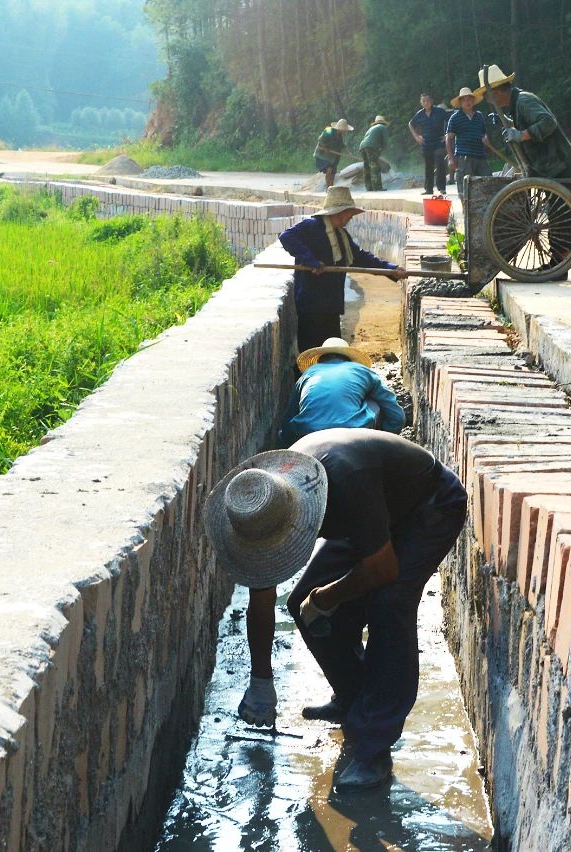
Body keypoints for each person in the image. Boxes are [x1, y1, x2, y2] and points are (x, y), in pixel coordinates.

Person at [204, 430, 467, 791]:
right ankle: (354, 698)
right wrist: (261, 681)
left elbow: (383, 569)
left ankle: (373, 748)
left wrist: (328, 597)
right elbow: (261, 601)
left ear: (298, 519)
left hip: (429, 504)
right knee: (300, 603)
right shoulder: (260, 509)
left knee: (388, 606)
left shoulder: (342, 483)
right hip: (374, 508)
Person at [278, 186, 409, 353]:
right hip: (311, 305)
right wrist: (311, 261)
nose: (350, 218)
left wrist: (391, 269)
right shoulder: (311, 227)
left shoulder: (342, 236)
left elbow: (360, 258)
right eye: (349, 213)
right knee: (311, 351)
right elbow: (286, 237)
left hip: (331, 304)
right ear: (338, 212)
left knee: (333, 351)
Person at [279, 337, 405, 447]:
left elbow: (288, 418)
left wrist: (287, 442)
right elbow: (395, 415)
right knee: (373, 402)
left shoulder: (307, 374)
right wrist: (388, 437)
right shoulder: (360, 370)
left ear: (321, 359)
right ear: (347, 359)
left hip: (307, 432)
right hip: (353, 430)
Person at [476, 63, 571, 194]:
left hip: (560, 164)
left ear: (496, 93)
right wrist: (511, 124)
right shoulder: (516, 104)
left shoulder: (523, 101)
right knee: (557, 212)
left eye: (487, 97)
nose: (488, 101)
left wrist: (521, 135)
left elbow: (548, 122)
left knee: (561, 213)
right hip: (550, 166)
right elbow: (528, 122)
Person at [445, 86, 495, 197]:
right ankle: (467, 211)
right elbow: (449, 139)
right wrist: (451, 158)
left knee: (489, 183)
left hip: (480, 155)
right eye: (464, 99)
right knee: (465, 188)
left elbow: (484, 133)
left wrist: (486, 139)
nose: (468, 102)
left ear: (473, 101)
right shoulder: (455, 118)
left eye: (469, 99)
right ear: (461, 102)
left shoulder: (479, 116)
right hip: (464, 157)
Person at [407, 94, 449, 195]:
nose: (426, 103)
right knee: (429, 166)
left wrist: (447, 134)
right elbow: (410, 124)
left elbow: (450, 120)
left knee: (440, 163)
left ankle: (442, 187)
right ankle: (429, 189)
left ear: (432, 101)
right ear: (421, 103)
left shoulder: (439, 111)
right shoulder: (420, 114)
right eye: (424, 101)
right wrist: (417, 137)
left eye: (428, 100)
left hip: (439, 142)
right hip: (426, 143)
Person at [314, 119, 353, 188]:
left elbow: (342, 145)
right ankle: (328, 188)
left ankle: (331, 188)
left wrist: (348, 153)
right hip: (323, 155)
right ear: (340, 128)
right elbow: (320, 139)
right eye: (344, 129)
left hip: (333, 157)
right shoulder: (329, 130)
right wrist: (325, 148)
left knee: (332, 173)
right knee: (329, 170)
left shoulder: (340, 135)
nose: (345, 131)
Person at [358, 116, 390, 192]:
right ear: (383, 123)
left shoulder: (371, 129)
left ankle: (369, 187)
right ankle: (377, 187)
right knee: (375, 166)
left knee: (367, 167)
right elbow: (385, 140)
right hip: (371, 147)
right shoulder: (383, 127)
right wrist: (383, 148)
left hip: (362, 146)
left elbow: (366, 139)